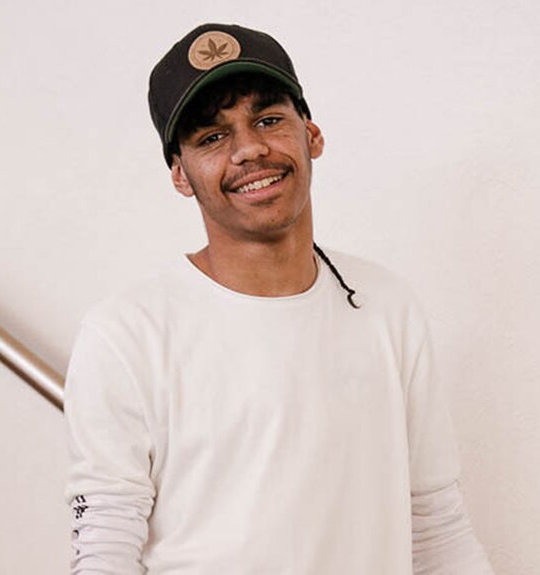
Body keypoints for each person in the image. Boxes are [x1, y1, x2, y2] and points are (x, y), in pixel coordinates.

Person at [64, 23, 495, 575]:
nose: (250, 149)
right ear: (179, 174)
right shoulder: (125, 334)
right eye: (211, 137)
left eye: (268, 119)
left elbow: (436, 529)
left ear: (311, 134)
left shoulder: (388, 306)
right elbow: (104, 546)